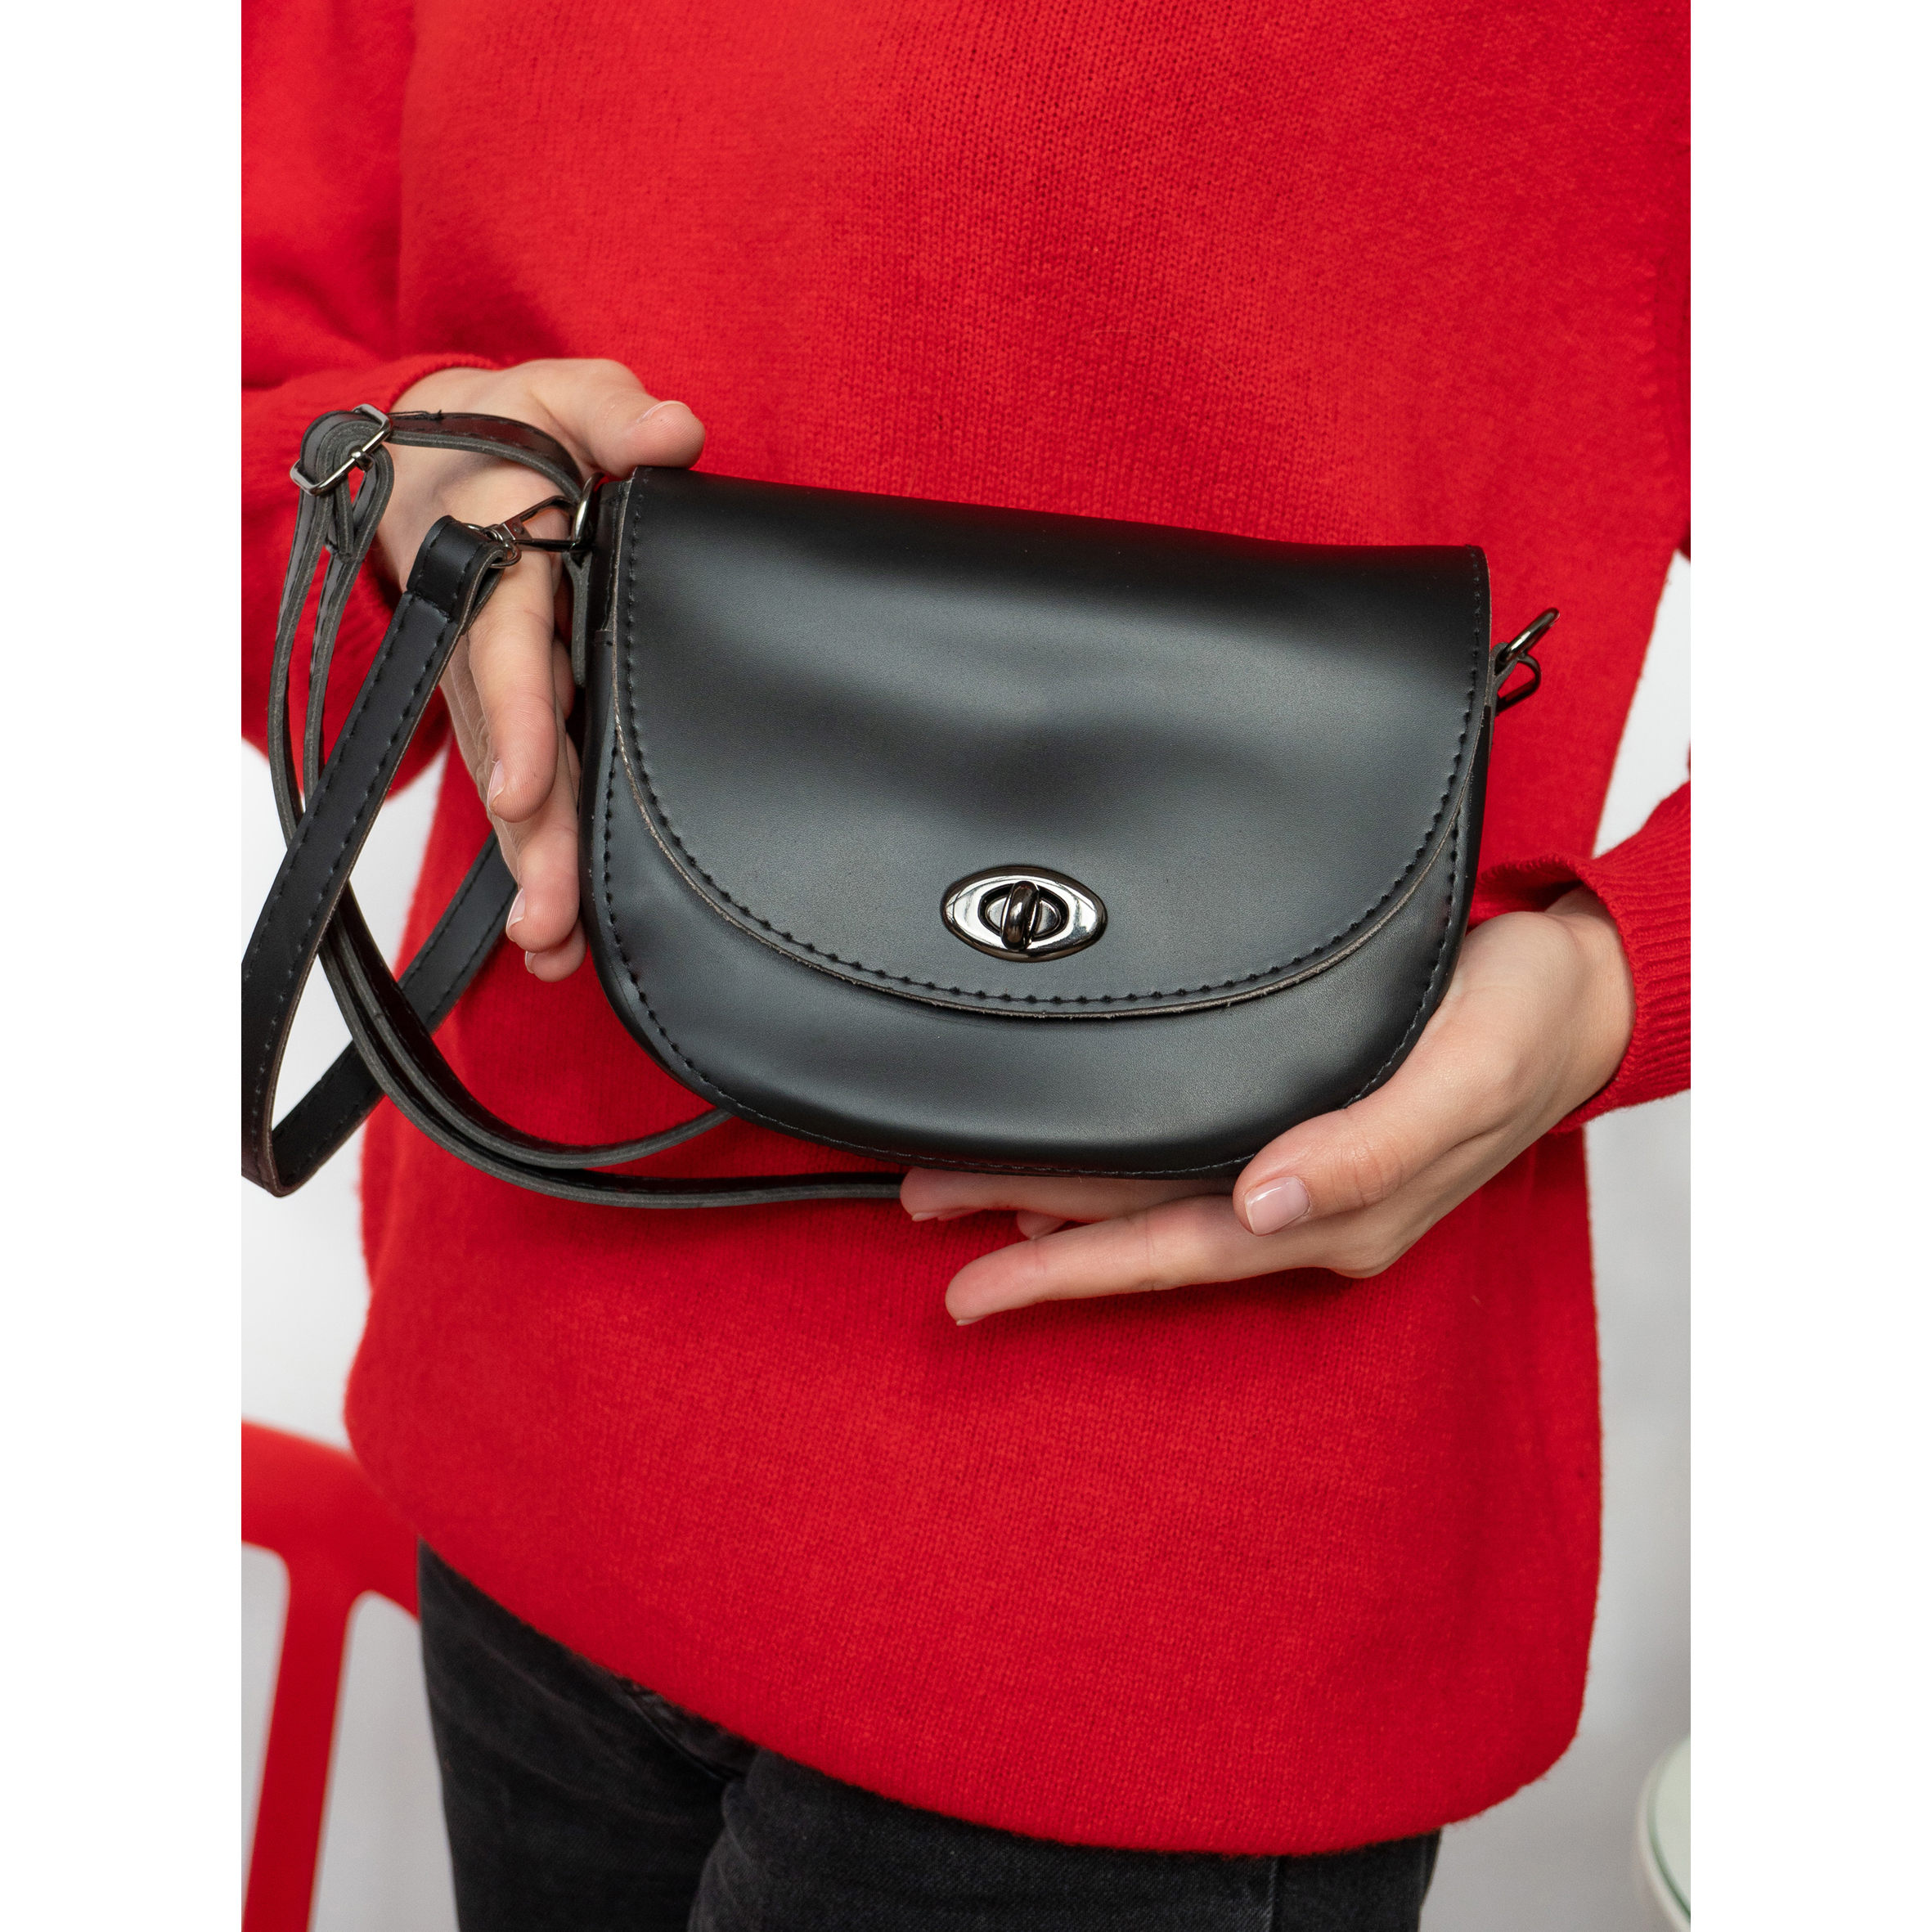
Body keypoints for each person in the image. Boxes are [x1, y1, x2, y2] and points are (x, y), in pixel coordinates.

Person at [243, 2, 1688, 1925]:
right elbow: (247, 364)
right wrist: (407, 487)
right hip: (539, 1425)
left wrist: (1612, 985)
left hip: (1168, 1562)